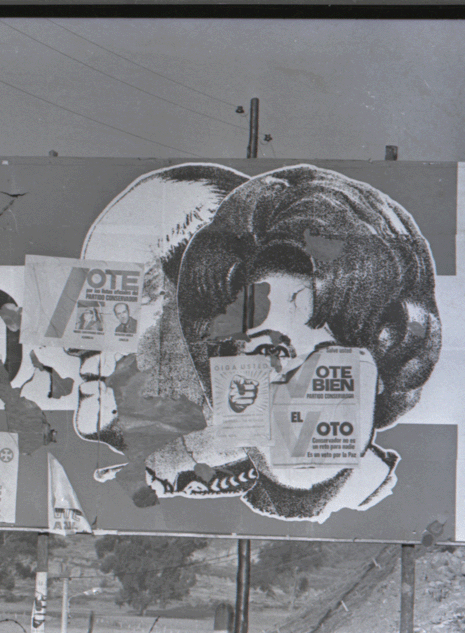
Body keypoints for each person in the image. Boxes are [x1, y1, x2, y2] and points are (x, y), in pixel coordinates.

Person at [156, 164, 442, 521]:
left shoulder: (401, 505)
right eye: (269, 351)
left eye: (328, 355)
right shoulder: (193, 494)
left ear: (386, 369)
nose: (295, 391)